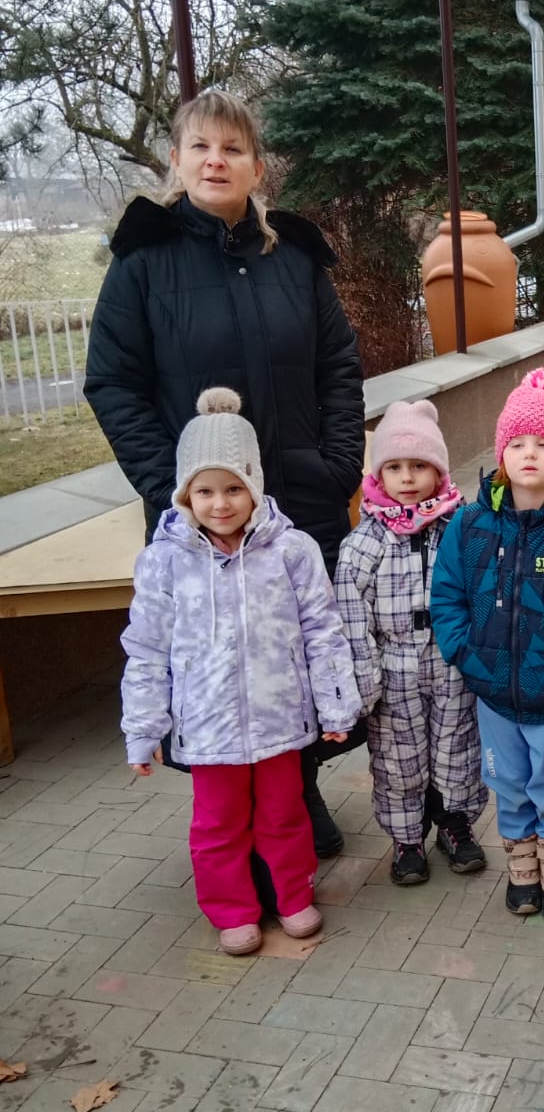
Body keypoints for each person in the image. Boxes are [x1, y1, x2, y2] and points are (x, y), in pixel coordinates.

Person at [85, 89, 364, 862]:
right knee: (219, 664)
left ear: (256, 166)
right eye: (201, 147)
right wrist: (169, 486)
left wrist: (340, 463)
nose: (217, 160)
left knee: (300, 650)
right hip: (203, 516)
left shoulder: (295, 258)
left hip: (299, 498)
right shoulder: (143, 263)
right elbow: (112, 383)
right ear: (177, 160)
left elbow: (339, 366)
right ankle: (233, 821)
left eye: (233, 148)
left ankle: (296, 791)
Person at [120, 390, 361, 956]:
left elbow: (323, 630)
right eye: (204, 491)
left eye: (233, 488)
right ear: (185, 494)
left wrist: (335, 705)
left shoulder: (291, 550)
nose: (220, 503)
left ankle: (292, 897)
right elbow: (147, 648)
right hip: (208, 731)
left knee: (285, 816)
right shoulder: (164, 561)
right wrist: (143, 728)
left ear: (254, 485)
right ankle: (232, 910)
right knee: (218, 826)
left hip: (280, 720)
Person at [430, 369, 544, 923]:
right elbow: (447, 594)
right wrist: (463, 652)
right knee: (508, 781)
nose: (529, 454)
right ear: (501, 453)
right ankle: (522, 867)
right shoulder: (470, 524)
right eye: (517, 443)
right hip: (492, 689)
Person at [335, 399, 487, 886]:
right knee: (398, 757)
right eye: (395, 467)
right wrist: (366, 680)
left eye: (419, 466)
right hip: (393, 664)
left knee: (457, 746)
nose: (407, 478)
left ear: (438, 471)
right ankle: (406, 838)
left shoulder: (462, 528)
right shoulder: (365, 543)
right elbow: (352, 618)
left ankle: (455, 823)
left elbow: (483, 591)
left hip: (451, 659)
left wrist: (477, 656)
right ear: (379, 474)